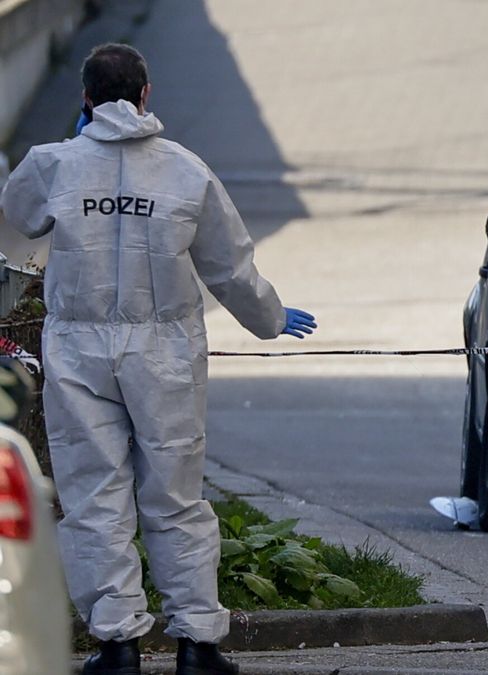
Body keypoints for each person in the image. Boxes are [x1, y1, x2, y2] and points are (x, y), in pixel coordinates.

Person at [0, 43, 318, 675]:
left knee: (94, 496)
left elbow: (18, 213)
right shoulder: (185, 172)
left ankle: (115, 646)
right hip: (165, 352)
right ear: (147, 95)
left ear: (85, 99)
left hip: (79, 350)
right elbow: (230, 267)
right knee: (175, 496)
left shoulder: (54, 165)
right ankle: (197, 645)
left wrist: (71, 146)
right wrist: (271, 319)